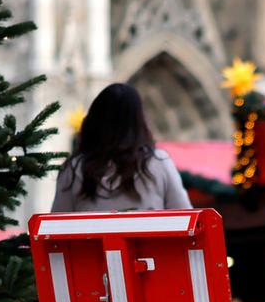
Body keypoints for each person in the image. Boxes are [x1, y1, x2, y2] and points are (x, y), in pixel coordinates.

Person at [51, 82, 191, 212]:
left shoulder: (73, 169)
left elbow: (55, 227)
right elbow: (187, 217)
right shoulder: (159, 162)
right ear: (139, 122)